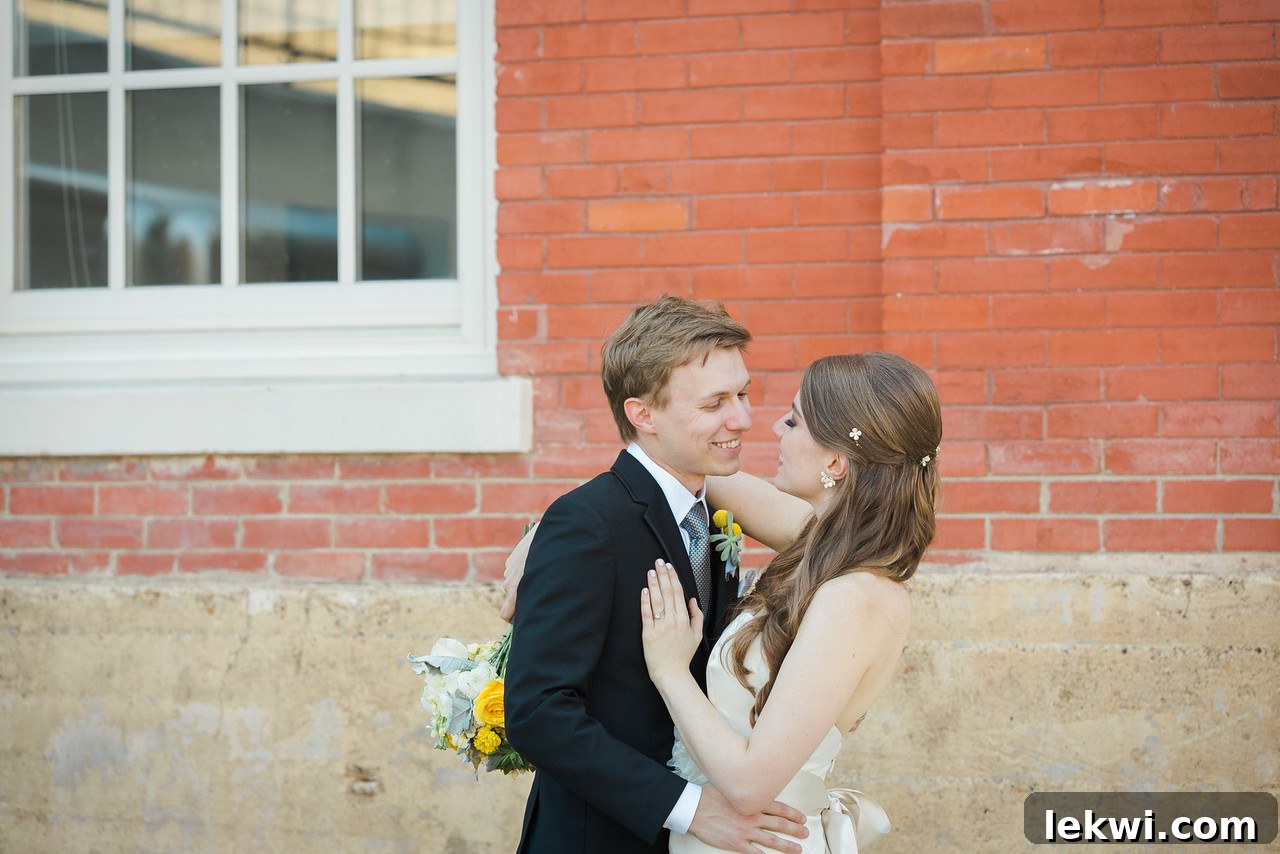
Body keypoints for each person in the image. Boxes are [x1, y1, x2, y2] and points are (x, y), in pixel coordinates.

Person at [504, 297, 811, 854]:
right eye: (715, 403)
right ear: (643, 414)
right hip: (596, 838)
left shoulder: (709, 509)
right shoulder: (586, 523)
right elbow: (536, 711)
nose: (741, 419)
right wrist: (688, 809)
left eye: (742, 394)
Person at [639, 352, 942, 853]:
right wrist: (547, 537)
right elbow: (688, 464)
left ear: (835, 463)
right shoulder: (820, 545)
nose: (775, 425)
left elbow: (750, 784)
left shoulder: (857, 596)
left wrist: (669, 668)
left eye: (795, 420)